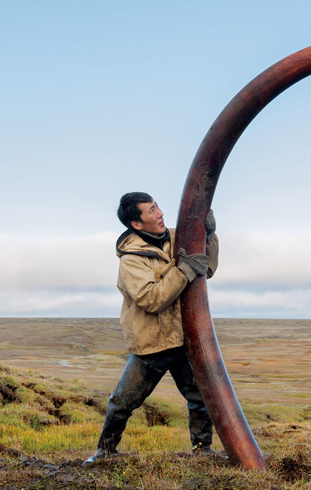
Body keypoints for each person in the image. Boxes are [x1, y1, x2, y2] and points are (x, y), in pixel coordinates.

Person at [83, 192, 219, 465]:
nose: (159, 213)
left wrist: (208, 237)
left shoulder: (176, 237)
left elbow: (207, 268)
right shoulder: (131, 260)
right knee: (122, 402)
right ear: (136, 224)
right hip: (152, 345)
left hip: (183, 338)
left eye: (157, 206)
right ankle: (105, 452)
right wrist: (183, 270)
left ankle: (202, 450)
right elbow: (152, 299)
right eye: (151, 211)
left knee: (200, 397)